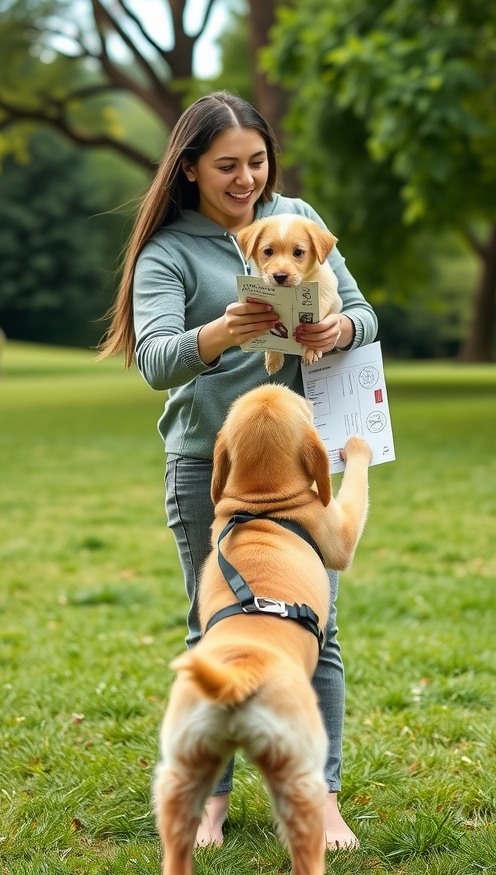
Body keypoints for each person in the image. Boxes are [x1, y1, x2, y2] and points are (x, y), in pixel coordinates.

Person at [99, 91, 377, 850]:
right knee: (213, 623)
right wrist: (221, 331)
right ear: (189, 169)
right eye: (227, 166)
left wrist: (338, 325)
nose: (246, 178)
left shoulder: (299, 220)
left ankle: (320, 796)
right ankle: (212, 800)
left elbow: (366, 313)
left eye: (256, 161)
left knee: (316, 627)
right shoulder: (171, 251)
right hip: (209, 465)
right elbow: (156, 360)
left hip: (302, 461)